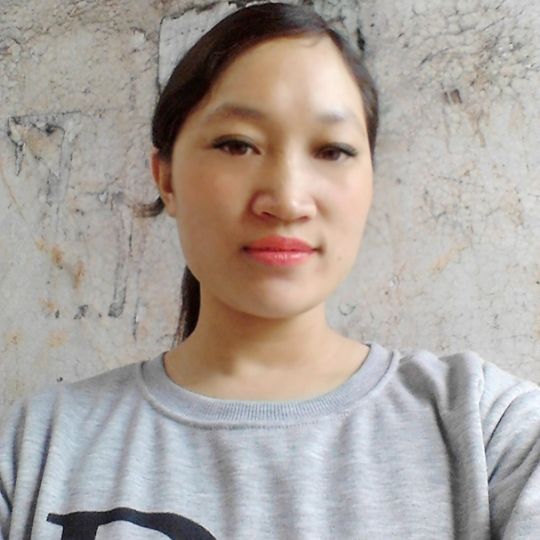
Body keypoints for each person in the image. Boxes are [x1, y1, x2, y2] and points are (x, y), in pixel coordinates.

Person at [1, 3, 539, 539]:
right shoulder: (35, 449)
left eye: (332, 151)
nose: (286, 199)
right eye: (237, 145)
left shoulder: (488, 429)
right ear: (166, 178)